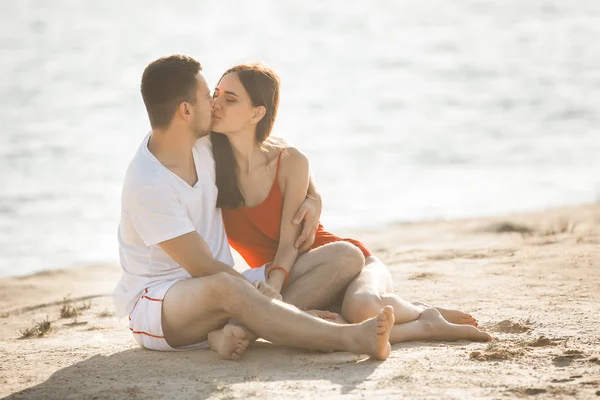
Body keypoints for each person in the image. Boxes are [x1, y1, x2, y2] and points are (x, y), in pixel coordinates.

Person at [112, 54, 395, 360]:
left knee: (345, 255)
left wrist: (313, 195)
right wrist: (267, 296)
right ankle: (347, 337)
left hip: (226, 288)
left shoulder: (203, 144)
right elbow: (203, 267)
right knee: (226, 287)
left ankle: (237, 332)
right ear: (185, 111)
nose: (215, 104)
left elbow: (272, 151)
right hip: (162, 305)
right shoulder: (148, 182)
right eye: (208, 96)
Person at [209, 63, 493, 357]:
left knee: (363, 306)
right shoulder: (208, 162)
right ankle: (341, 322)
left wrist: (273, 289)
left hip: (341, 262)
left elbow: (288, 244)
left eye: (230, 99)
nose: (215, 104)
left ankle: (424, 318)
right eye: (215, 94)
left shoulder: (288, 162)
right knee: (345, 315)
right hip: (301, 285)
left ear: (257, 113)